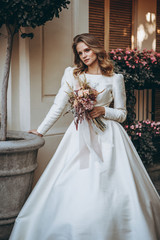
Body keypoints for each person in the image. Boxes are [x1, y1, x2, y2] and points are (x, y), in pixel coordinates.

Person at [9, 33, 160, 240]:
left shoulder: (115, 78)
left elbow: (123, 114)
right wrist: (41, 130)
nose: (84, 56)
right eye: (80, 53)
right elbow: (58, 105)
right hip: (80, 134)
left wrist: (103, 111)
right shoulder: (73, 75)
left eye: (87, 50)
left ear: (96, 49)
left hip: (110, 138)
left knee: (111, 182)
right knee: (76, 178)